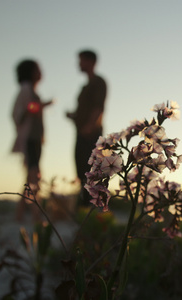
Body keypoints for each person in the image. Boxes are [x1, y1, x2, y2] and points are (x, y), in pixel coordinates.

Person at [11, 59, 53, 221]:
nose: (41, 72)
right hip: (30, 138)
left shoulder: (29, 90)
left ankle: (20, 215)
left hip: (34, 138)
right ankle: (36, 214)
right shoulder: (26, 89)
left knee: (31, 176)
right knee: (34, 175)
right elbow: (26, 109)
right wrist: (43, 105)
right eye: (38, 69)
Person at [66, 50, 107, 207]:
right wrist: (74, 116)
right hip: (81, 133)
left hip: (91, 135)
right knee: (82, 172)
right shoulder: (85, 86)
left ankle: (91, 208)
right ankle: (84, 208)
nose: (79, 64)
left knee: (91, 172)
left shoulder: (98, 82)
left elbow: (99, 107)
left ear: (91, 62)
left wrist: (89, 127)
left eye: (81, 60)